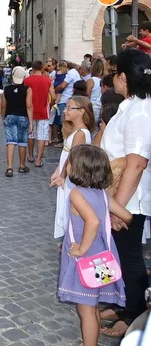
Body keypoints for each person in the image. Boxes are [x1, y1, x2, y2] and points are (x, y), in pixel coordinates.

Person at [99, 49, 151, 338]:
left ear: (123, 77)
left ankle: (133, 316)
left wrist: (117, 207)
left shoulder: (142, 109)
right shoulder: (129, 104)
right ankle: (121, 303)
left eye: (116, 72)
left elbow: (137, 163)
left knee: (129, 256)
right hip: (118, 193)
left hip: (130, 198)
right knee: (115, 254)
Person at [57, 144, 131, 346]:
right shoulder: (103, 195)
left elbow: (93, 221)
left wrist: (81, 248)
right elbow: (127, 216)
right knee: (93, 304)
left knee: (86, 309)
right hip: (102, 257)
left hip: (86, 258)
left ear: (78, 168)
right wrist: (116, 220)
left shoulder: (76, 194)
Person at [50, 96, 95, 239]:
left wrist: (62, 176)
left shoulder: (81, 133)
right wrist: (57, 171)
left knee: (68, 208)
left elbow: (72, 157)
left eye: (70, 108)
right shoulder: (75, 130)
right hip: (66, 175)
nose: (65, 111)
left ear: (81, 111)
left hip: (70, 178)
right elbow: (66, 152)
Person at [1, 66, 33, 177]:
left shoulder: (7, 89)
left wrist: (3, 117)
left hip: (10, 116)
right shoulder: (27, 89)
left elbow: (3, 105)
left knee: (10, 141)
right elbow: (29, 106)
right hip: (23, 117)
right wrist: (31, 122)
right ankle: (22, 166)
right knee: (22, 142)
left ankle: (9, 168)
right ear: (23, 77)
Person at [24, 60, 55, 167]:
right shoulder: (47, 80)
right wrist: (50, 105)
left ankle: (31, 155)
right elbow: (53, 96)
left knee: (30, 134)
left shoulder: (27, 80)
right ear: (42, 68)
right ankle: (38, 160)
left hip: (30, 111)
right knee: (42, 136)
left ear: (32, 68)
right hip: (43, 110)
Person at [55, 62, 81, 147]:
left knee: (64, 122)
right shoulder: (76, 73)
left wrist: (54, 88)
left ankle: (65, 141)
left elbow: (63, 86)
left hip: (65, 99)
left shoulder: (70, 73)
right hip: (71, 98)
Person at [50, 60, 68, 144]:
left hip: (60, 98)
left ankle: (62, 138)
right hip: (61, 97)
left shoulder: (58, 74)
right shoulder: (66, 75)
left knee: (59, 120)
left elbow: (59, 90)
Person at [88, 59, 104, 123]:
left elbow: (87, 95)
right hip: (101, 106)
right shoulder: (104, 80)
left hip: (93, 108)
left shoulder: (91, 81)